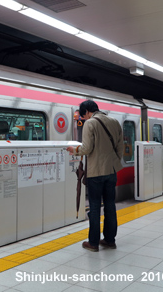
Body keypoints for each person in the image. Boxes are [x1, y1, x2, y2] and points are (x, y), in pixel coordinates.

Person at [66, 100, 123, 252]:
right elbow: (120, 147)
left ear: (87, 112)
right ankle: (110, 240)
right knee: (110, 206)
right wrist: (113, 162)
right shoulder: (114, 121)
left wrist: (74, 149)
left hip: (96, 172)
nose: (83, 119)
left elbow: (87, 148)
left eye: (83, 116)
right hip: (111, 171)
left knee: (95, 206)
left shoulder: (90, 124)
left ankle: (93, 243)